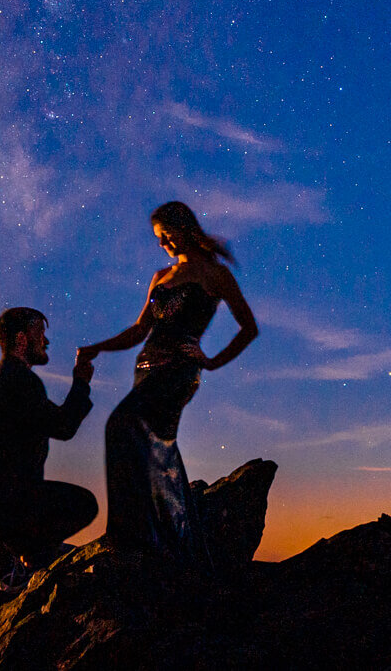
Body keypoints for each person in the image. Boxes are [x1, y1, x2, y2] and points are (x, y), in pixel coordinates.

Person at [80, 201, 257, 564]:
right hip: (144, 367)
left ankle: (127, 534)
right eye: (158, 240)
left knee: (121, 425)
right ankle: (168, 541)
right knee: (156, 450)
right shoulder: (160, 276)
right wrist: (98, 348)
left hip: (178, 371)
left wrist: (211, 361)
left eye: (165, 236)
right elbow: (139, 329)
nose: (162, 245)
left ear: (182, 228)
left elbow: (248, 328)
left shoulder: (215, 274)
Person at [0, 306, 99, 595]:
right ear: (21, 339)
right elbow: (63, 426)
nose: (46, 341)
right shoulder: (18, 378)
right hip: (2, 505)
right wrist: (81, 383)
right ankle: (19, 559)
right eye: (40, 333)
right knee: (83, 504)